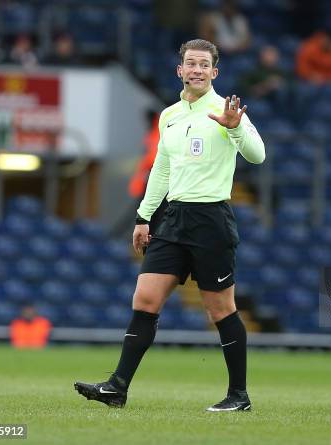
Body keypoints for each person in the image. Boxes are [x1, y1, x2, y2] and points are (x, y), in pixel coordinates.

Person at [75, 39, 265, 412]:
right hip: (173, 218)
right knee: (145, 299)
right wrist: (144, 216)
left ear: (215, 72)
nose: (196, 69)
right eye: (190, 63)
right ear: (180, 70)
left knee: (220, 310)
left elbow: (258, 155)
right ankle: (117, 386)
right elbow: (162, 169)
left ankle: (238, 395)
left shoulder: (227, 111)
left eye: (203, 64)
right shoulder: (169, 115)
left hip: (211, 219)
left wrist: (237, 128)